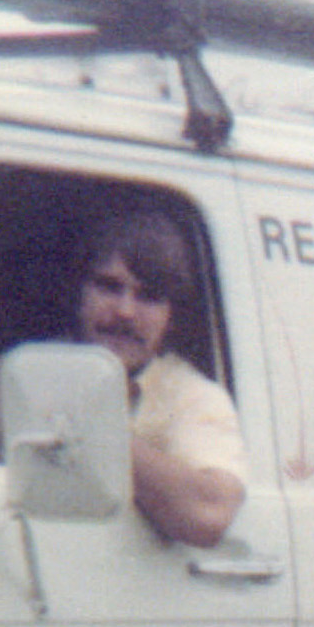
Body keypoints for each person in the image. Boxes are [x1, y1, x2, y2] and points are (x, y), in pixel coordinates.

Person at [73, 210, 247, 548]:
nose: (125, 311)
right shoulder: (14, 374)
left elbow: (209, 514)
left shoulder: (193, 397)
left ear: (171, 315)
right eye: (109, 287)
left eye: (149, 296)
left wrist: (89, 428)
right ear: (78, 293)